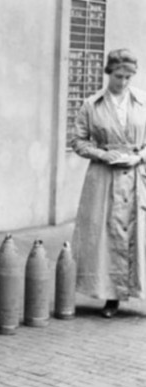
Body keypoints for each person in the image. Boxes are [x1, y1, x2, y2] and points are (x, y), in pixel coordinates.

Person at [71, 48, 146, 318]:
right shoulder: (92, 105)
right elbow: (78, 141)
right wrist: (103, 154)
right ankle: (111, 298)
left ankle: (139, 293)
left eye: (128, 77)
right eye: (118, 76)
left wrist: (139, 156)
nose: (123, 82)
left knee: (140, 236)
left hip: (137, 177)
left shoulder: (142, 101)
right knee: (105, 236)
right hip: (104, 178)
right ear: (108, 73)